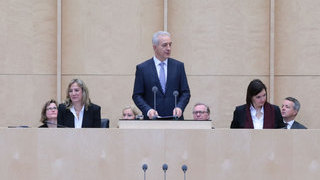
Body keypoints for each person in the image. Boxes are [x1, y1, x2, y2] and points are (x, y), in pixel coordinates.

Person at [132, 31, 191, 120]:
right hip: (152, 121)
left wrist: (179, 107)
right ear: (155, 47)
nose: (168, 48)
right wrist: (148, 110)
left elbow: (185, 92)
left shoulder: (178, 66)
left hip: (175, 120)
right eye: (164, 45)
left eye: (170, 45)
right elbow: (137, 95)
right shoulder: (143, 68)